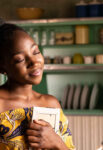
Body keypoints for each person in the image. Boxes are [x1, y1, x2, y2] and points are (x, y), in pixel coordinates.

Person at [0, 22, 75, 150]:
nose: (34, 62)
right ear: (2, 67)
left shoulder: (51, 104)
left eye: (36, 52)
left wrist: (56, 142)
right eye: (20, 59)